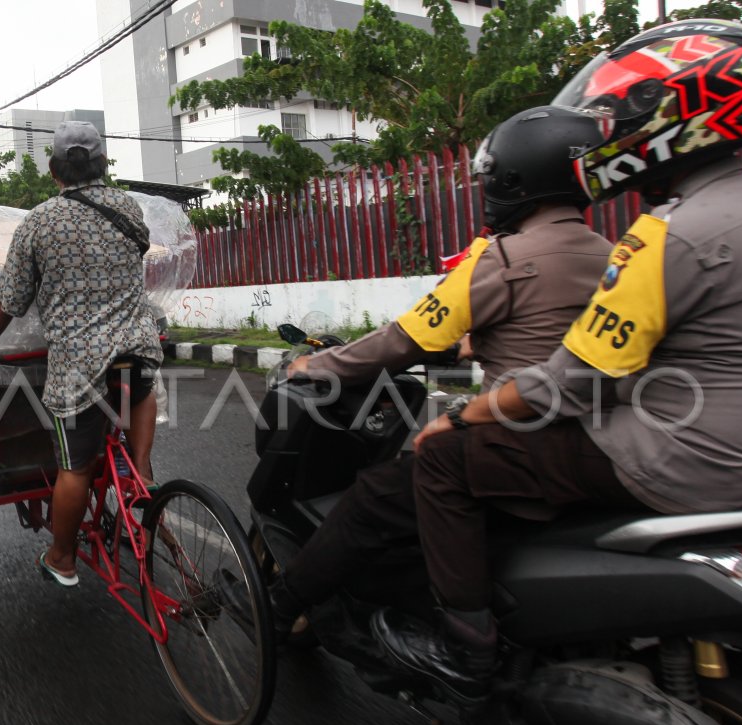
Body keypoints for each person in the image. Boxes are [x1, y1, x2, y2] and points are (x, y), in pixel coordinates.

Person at [370, 19, 742, 699]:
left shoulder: (670, 233)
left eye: (622, 120)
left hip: (678, 461)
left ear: (678, 120)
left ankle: (466, 644)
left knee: (441, 460)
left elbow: (571, 380)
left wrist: (463, 417)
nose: (608, 137)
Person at [260, 106, 613, 650]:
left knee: (373, 497)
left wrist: (318, 364)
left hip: (517, 436)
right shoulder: (614, 254)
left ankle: (280, 613)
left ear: (511, 178)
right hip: (595, 443)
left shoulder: (504, 258)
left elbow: (404, 339)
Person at [0, 120, 163, 588]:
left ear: (54, 170)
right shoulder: (127, 206)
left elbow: (11, 298)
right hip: (137, 347)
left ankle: (62, 557)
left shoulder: (38, 222)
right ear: (101, 165)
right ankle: (142, 477)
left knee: (74, 467)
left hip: (79, 366)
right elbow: (133, 254)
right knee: (141, 387)